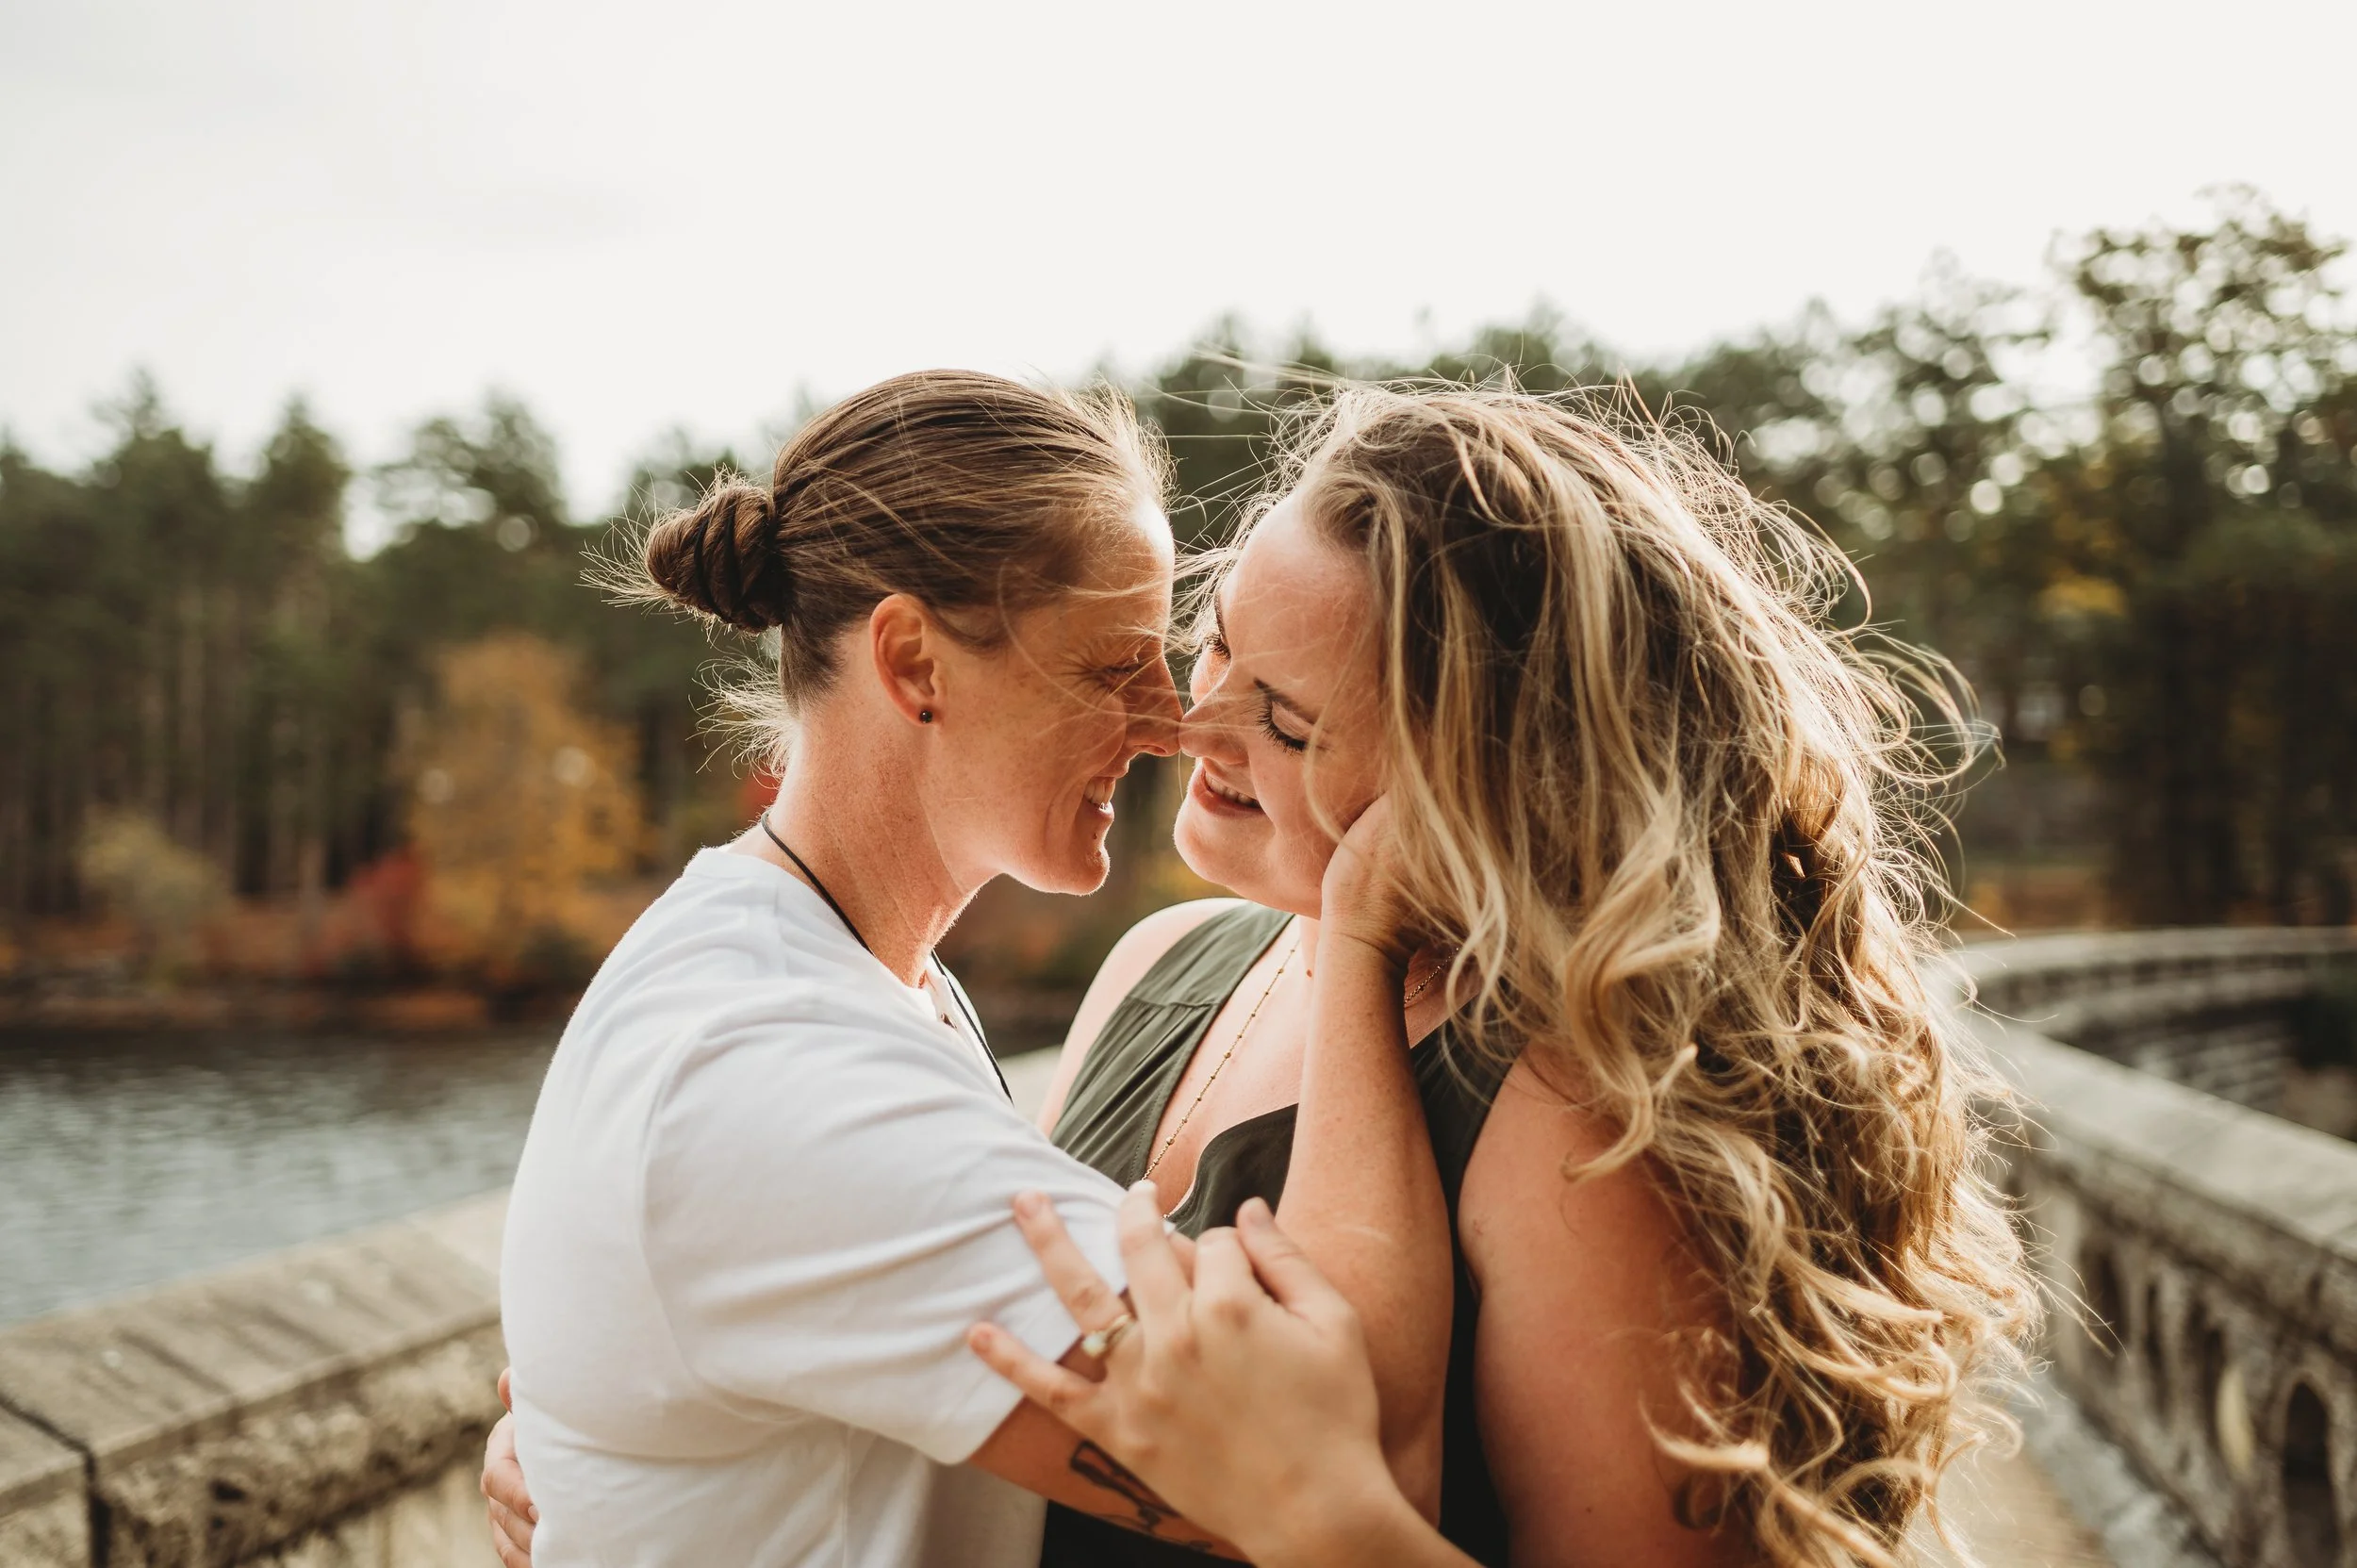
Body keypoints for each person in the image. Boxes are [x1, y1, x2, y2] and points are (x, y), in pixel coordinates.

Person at [490, 381, 2039, 1567]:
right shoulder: (1164, 967)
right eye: (1202, 642)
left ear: (1481, 767)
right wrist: (646, 1438)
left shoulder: (1571, 1110)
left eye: (1283, 716)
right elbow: (936, 1332)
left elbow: (1343, 1448)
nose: (1189, 720)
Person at [492, 369, 1450, 1568]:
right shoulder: (773, 1069)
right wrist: (1355, 932)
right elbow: (1352, 1465)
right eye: (1112, 667)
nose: (1172, 724)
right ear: (916, 664)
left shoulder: (858, 976)